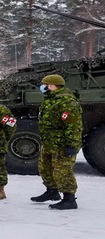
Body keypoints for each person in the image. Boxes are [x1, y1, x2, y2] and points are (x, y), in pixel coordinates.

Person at [31, 74, 82, 210]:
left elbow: (74, 125)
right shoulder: (50, 99)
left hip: (62, 144)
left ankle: (69, 199)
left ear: (52, 85)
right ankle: (52, 192)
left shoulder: (66, 101)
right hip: (49, 143)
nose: (42, 87)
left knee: (62, 171)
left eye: (45, 84)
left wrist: (71, 144)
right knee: (45, 168)